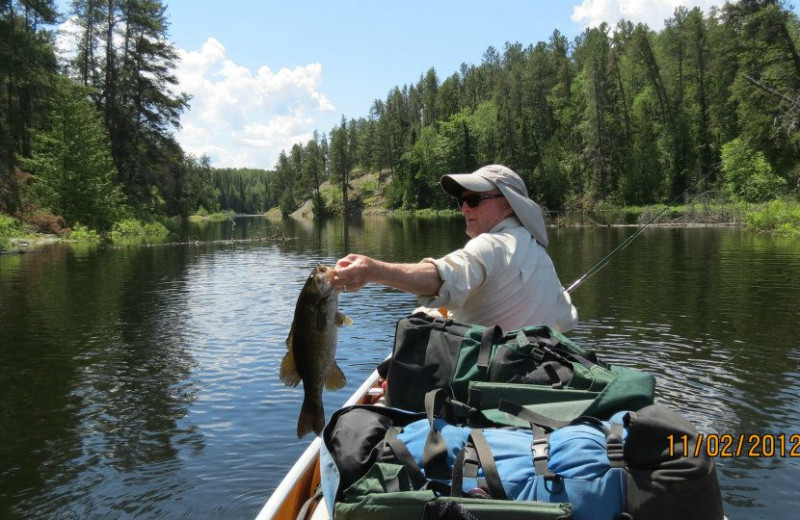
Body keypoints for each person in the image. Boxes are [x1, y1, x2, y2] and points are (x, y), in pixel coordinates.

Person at [331, 164, 578, 332]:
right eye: (462, 201)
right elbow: (567, 321)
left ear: (508, 205)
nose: (464, 208)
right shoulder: (542, 257)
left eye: (474, 200)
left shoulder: (490, 245)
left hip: (484, 388)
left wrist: (372, 270)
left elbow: (442, 278)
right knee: (433, 314)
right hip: (530, 382)